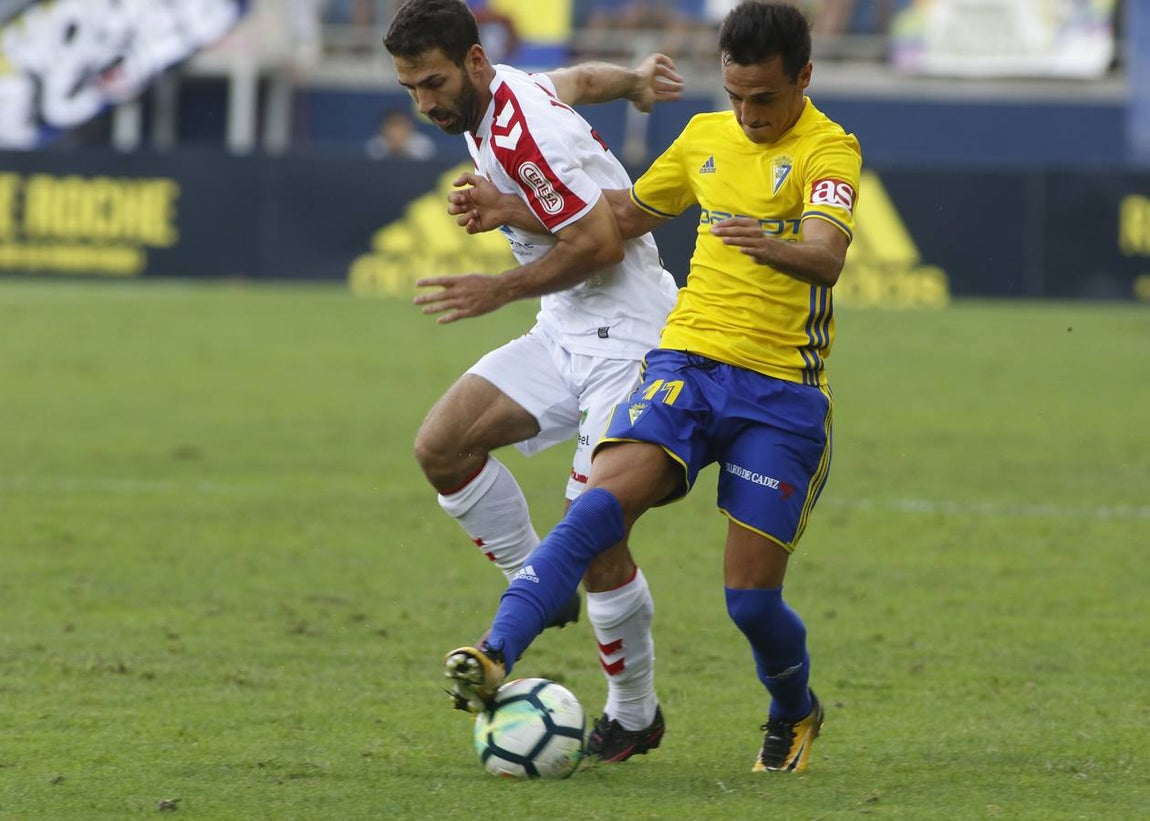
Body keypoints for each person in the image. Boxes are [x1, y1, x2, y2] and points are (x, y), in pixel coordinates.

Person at [442, 0, 861, 774]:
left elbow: (826, 256)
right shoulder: (704, 138)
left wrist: (762, 243)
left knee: (751, 602)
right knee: (597, 509)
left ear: (804, 76)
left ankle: (794, 706)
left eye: (765, 97)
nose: (748, 113)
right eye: (735, 95)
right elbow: (624, 214)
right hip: (687, 368)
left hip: (781, 396)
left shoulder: (829, 153)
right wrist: (509, 205)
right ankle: (495, 651)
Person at [383, 0, 684, 761]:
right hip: (567, 327)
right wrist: (637, 82)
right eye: (412, 89)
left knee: (601, 542)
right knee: (443, 445)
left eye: (434, 82)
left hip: (629, 339)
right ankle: (536, 580)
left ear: (475, 64)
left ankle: (634, 711)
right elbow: (578, 78)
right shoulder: (507, 93)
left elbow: (603, 243)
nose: (426, 103)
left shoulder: (523, 130)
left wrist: (496, 287)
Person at [365, 107, 438, 160]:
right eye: (392, 125)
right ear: (383, 128)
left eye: (400, 126)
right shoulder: (375, 145)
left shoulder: (422, 144)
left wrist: (402, 149)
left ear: (409, 127)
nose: (396, 132)